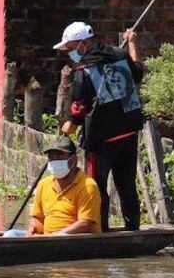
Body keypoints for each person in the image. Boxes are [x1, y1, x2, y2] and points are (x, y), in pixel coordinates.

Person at [53, 21, 145, 231]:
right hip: (128, 134)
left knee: (96, 187)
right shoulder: (120, 56)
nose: (70, 53)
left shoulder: (82, 71)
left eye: (70, 48)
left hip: (101, 140)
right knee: (127, 186)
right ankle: (133, 230)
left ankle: (100, 232)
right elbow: (138, 72)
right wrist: (132, 43)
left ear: (84, 43)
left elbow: (79, 108)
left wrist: (71, 124)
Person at [28, 135, 101, 236]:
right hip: (47, 239)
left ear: (73, 159)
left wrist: (56, 235)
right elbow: (38, 218)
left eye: (59, 155)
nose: (55, 160)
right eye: (51, 157)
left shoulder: (87, 185)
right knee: (11, 234)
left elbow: (85, 223)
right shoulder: (43, 184)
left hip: (74, 239)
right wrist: (33, 228)